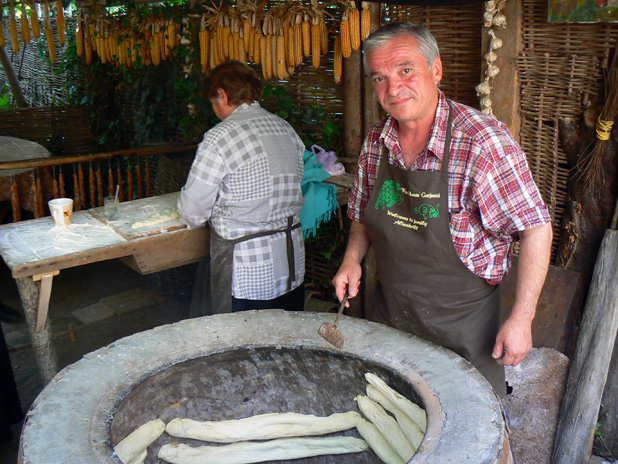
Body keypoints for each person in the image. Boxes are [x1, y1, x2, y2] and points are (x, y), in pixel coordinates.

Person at [332, 22, 553, 397]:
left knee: (469, 437)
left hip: (464, 330)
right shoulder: (377, 141)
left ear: (436, 70)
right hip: (393, 318)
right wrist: (352, 259)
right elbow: (360, 215)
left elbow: (536, 229)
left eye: (405, 70)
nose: (393, 88)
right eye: (379, 78)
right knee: (392, 419)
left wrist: (522, 318)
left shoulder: (483, 142)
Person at [178, 61, 306, 314]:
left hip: (248, 272)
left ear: (222, 95)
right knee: (285, 339)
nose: (214, 109)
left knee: (244, 346)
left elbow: (193, 210)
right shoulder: (285, 129)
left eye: (213, 102)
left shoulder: (219, 137)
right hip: (291, 263)